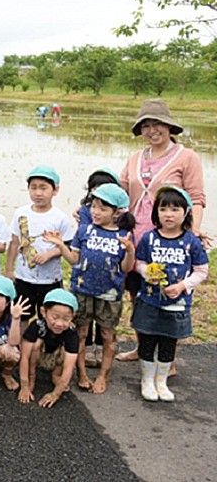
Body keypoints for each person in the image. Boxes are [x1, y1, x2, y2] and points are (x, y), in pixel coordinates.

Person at [116, 99, 210, 366]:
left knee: (172, 296)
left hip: (171, 239)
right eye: (146, 125)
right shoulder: (134, 159)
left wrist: (191, 234)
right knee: (139, 296)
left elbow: (196, 198)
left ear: (169, 126)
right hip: (137, 238)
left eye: (157, 123)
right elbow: (120, 194)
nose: (152, 130)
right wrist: (89, 210)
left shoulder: (186, 156)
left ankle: (168, 360)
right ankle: (141, 347)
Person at [44, 183, 135, 393]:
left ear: (117, 212)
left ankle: (103, 376)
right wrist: (60, 245)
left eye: (103, 208)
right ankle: (82, 374)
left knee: (108, 335)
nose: (95, 211)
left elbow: (125, 268)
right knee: (81, 333)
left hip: (109, 294)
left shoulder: (124, 235)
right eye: (93, 206)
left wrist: (129, 251)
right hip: (82, 291)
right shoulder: (84, 230)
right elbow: (74, 260)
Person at [132, 187, 208, 402]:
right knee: (147, 341)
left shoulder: (191, 241)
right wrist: (147, 273)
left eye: (175, 209)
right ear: (156, 212)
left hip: (177, 304)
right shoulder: (149, 238)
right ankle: (147, 380)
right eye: (163, 209)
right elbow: (139, 263)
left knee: (168, 343)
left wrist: (183, 285)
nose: (169, 214)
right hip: (149, 300)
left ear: (185, 213)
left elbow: (201, 271)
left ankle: (161, 381)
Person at [5, 165, 74, 331]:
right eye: (33, 188)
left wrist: (50, 254)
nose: (38, 193)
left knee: (50, 316)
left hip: (50, 279)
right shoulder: (21, 213)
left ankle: (46, 349)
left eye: (43, 188)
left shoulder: (60, 218)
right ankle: (18, 349)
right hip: (24, 277)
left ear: (55, 190)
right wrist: (9, 269)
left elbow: (67, 247)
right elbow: (14, 242)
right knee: (21, 315)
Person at [75, 167, 122, 367]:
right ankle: (84, 354)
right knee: (83, 323)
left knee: (106, 324)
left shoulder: (122, 226)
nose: (97, 209)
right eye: (95, 189)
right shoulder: (86, 214)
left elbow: (126, 263)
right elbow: (78, 247)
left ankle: (101, 350)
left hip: (108, 285)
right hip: (85, 280)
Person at [17, 289, 79, 408]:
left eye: (66, 319)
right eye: (55, 317)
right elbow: (24, 356)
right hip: (38, 356)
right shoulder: (36, 326)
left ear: (73, 317)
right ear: (43, 312)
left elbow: (69, 366)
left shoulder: (71, 333)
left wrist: (55, 394)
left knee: (67, 351)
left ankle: (56, 375)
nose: (60, 323)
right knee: (36, 344)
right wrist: (24, 385)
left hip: (56, 359)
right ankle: (32, 375)